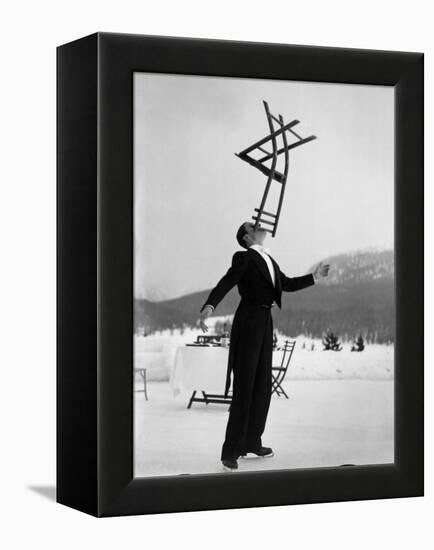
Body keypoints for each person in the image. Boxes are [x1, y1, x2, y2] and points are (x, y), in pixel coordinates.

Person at [198, 221, 330, 472]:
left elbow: (287, 284)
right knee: (245, 385)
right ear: (247, 237)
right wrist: (209, 306)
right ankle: (231, 451)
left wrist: (315, 276)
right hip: (248, 320)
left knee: (262, 386)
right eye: (253, 225)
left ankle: (252, 442)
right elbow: (226, 282)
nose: (260, 226)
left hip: (265, 321)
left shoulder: (270, 260)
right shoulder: (244, 257)